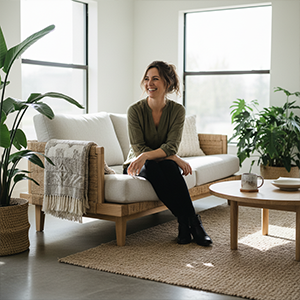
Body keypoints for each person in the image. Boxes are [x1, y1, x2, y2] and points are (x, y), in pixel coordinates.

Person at [123, 61, 212, 246]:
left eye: (155, 79)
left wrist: (170, 156)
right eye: (147, 79)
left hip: (158, 161)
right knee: (156, 166)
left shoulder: (177, 111)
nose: (149, 83)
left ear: (168, 83)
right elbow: (139, 148)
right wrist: (168, 156)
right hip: (136, 164)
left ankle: (184, 224)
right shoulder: (134, 111)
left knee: (170, 167)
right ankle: (192, 222)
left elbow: (172, 146)